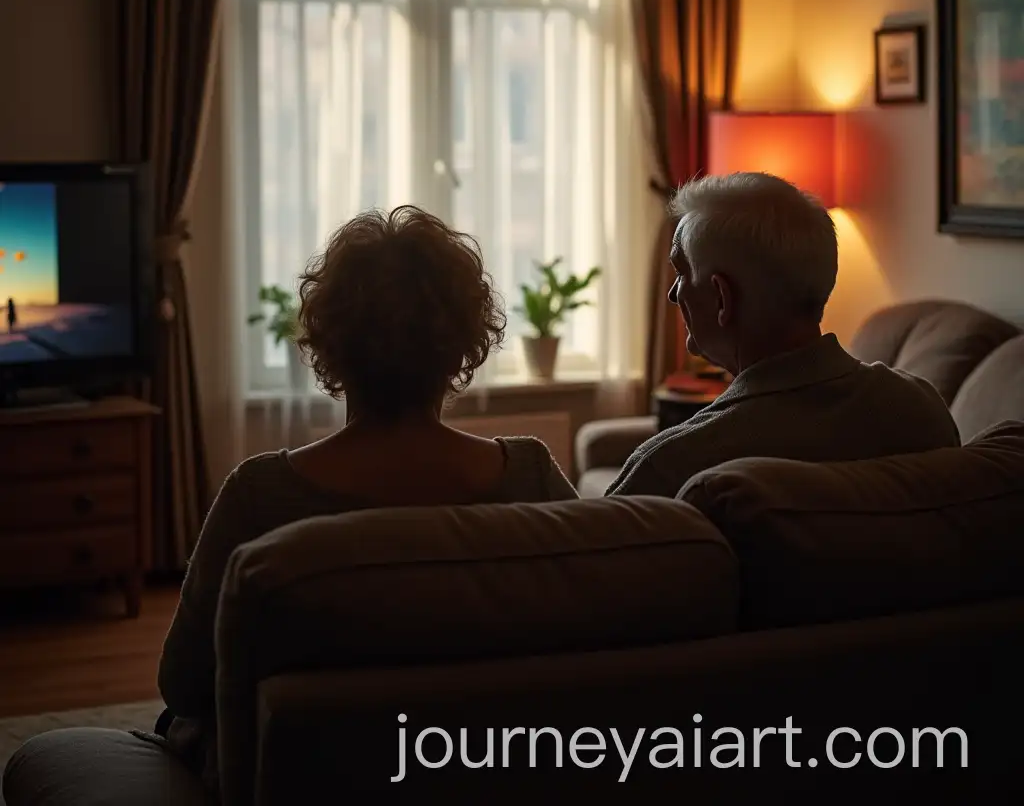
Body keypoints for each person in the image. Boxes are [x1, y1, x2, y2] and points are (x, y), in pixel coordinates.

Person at [3, 205, 578, 804]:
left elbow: (182, 681)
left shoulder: (260, 495)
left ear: (328, 340)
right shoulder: (532, 475)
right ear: (464, 341)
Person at [605, 172, 961, 498]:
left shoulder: (672, 466)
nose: (673, 294)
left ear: (721, 299)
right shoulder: (921, 412)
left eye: (682, 273)